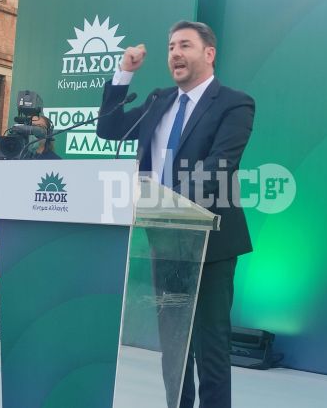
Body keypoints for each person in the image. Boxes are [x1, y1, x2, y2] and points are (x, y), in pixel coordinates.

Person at [97, 21, 255, 408]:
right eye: (170, 47)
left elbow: (219, 166)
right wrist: (124, 73)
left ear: (209, 53)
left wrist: (166, 206)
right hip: (162, 242)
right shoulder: (158, 100)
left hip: (211, 243)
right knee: (174, 346)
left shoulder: (234, 103)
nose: (175, 54)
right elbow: (108, 128)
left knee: (210, 344)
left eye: (185, 45)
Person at [0, 114, 59, 341]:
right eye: (30, 125)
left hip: (36, 233)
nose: (33, 130)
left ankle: (22, 327)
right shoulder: (14, 156)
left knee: (29, 281)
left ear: (48, 132)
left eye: (38, 126)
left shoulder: (55, 162)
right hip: (9, 227)